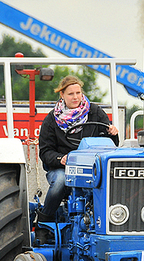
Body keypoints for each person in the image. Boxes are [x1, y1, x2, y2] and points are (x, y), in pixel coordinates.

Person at [38, 75, 119, 221]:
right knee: (60, 182)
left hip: (93, 168)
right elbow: (45, 151)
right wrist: (60, 159)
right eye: (71, 94)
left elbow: (110, 144)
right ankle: (45, 220)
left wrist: (112, 133)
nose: (75, 97)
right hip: (63, 168)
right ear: (62, 95)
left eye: (78, 93)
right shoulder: (51, 120)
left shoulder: (95, 112)